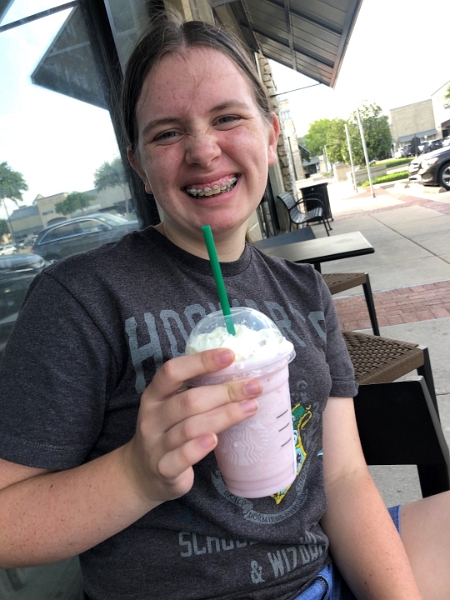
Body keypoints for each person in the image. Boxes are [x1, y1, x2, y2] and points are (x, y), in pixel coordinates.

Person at [0, 13, 449, 600]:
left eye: (227, 118)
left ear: (271, 134)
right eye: (166, 134)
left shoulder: (304, 291)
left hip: (320, 572)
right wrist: (135, 475)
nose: (203, 151)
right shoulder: (80, 298)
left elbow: (340, 477)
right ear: (139, 166)